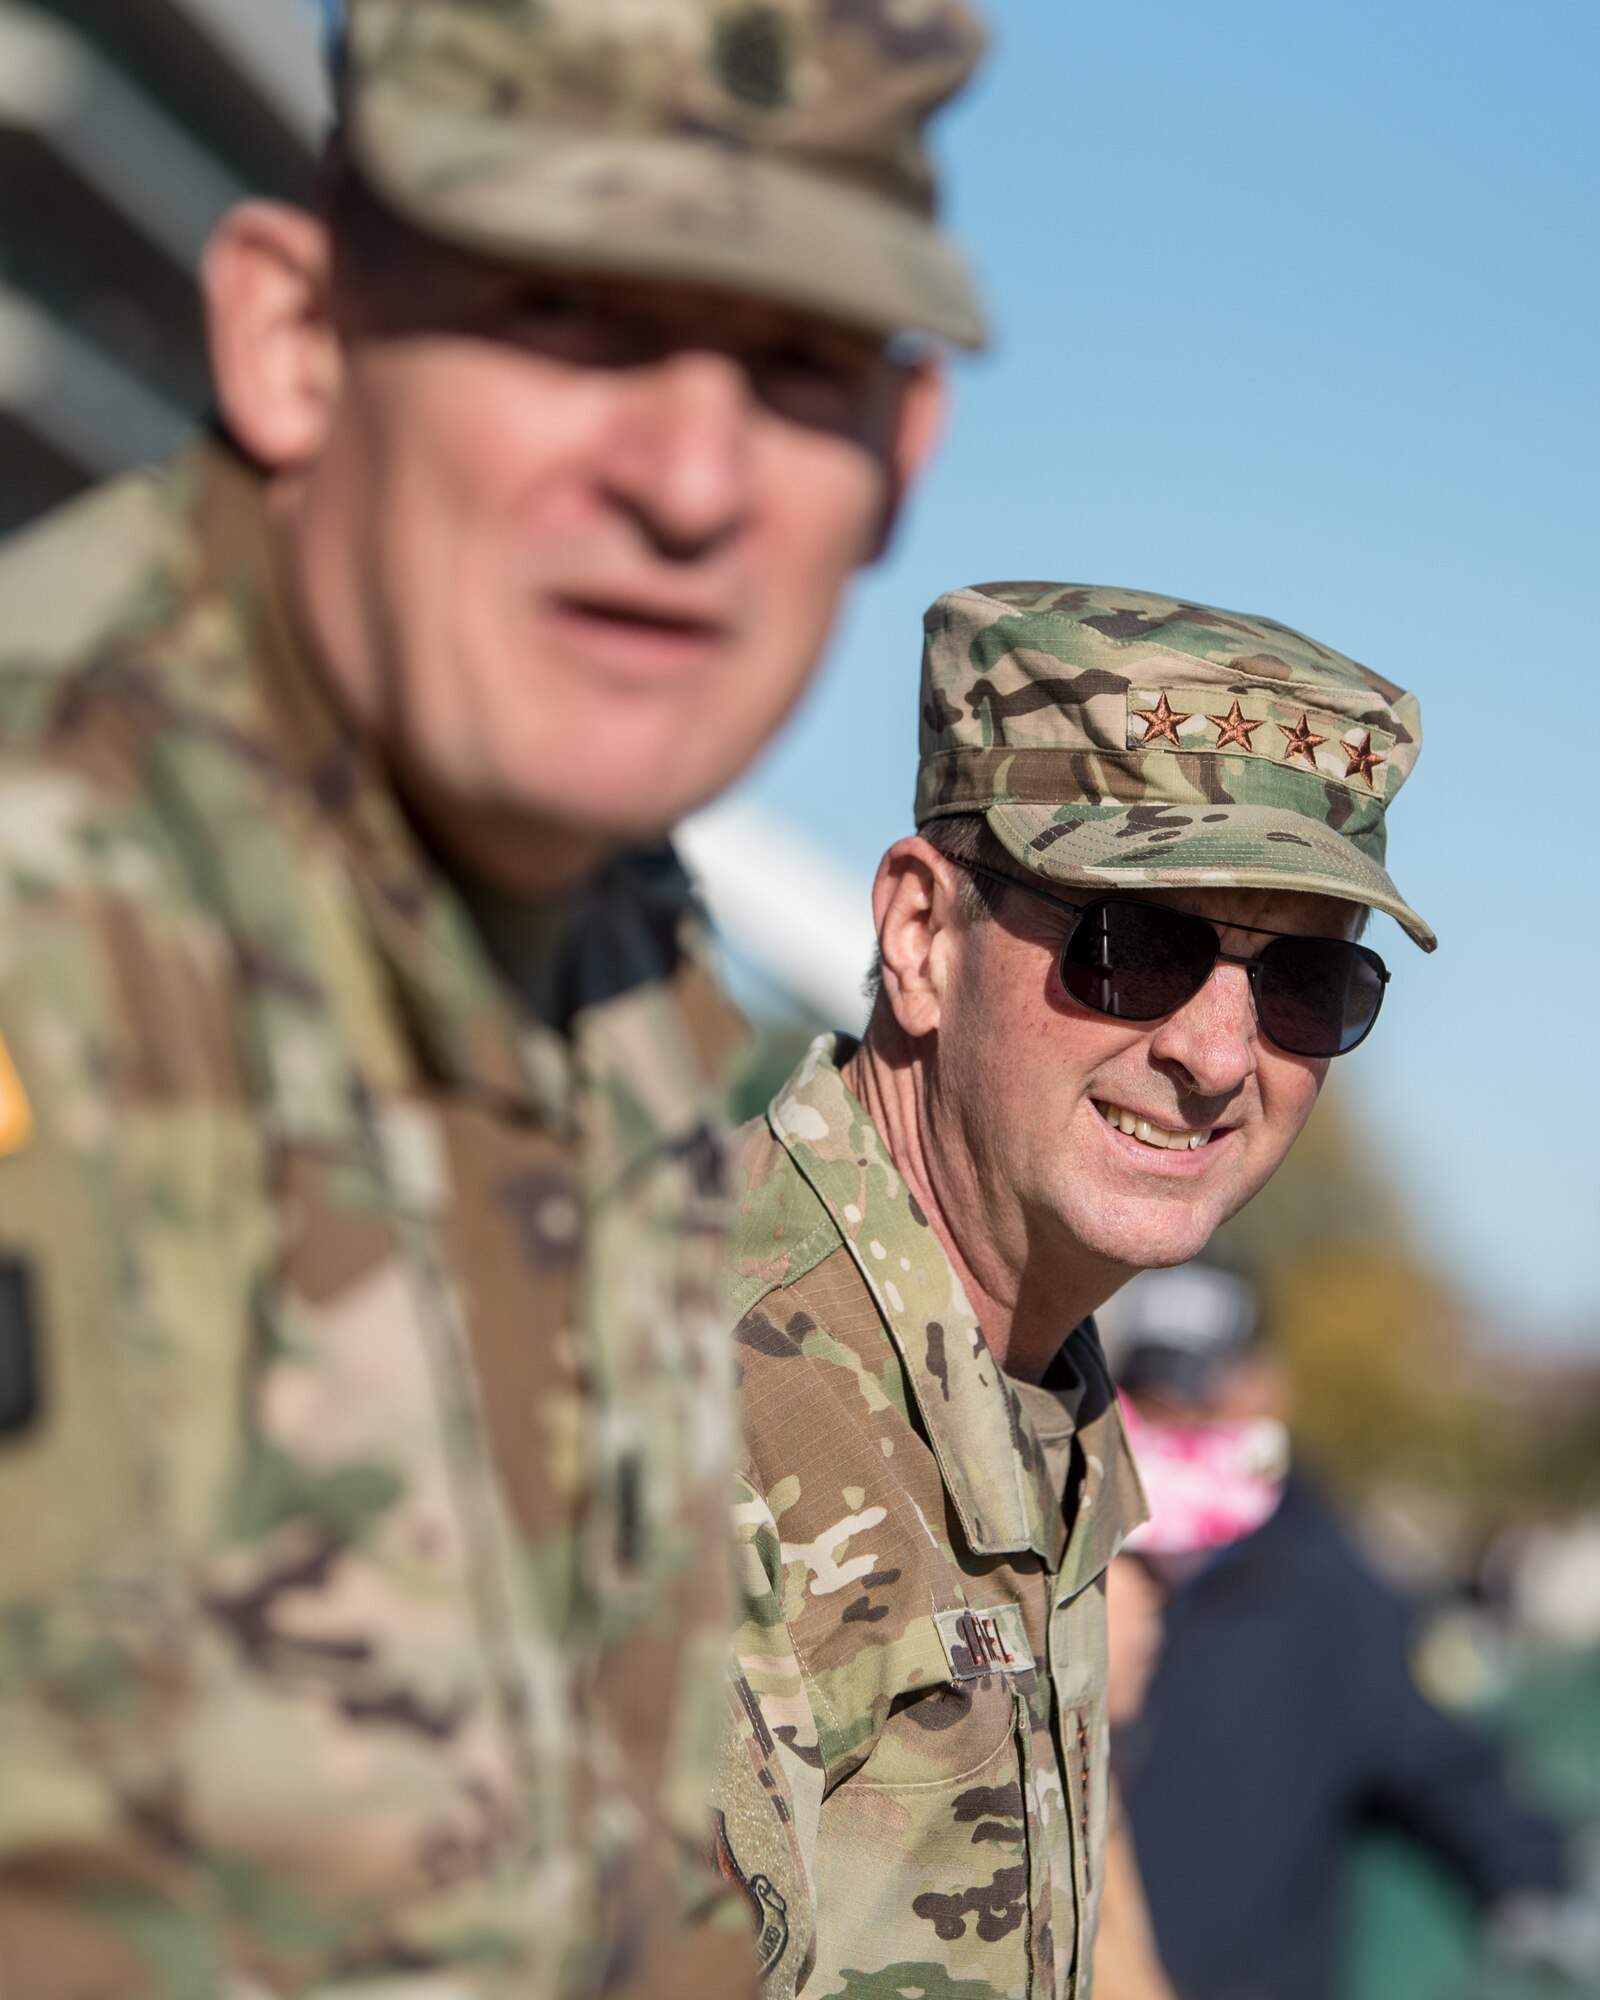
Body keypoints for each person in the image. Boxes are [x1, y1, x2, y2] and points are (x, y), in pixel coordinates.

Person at [0, 2, 986, 1992]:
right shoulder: (57, 896)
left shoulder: (618, 957)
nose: (688, 480)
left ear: (894, 462)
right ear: (290, 338)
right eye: (566, 315)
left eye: (793, 365)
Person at [708, 579, 1436, 1998]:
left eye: (1305, 982)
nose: (1220, 1054)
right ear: (920, 935)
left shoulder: (1029, 1382)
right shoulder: (694, 1408)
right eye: (1132, 946)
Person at [1112, 1263, 1574, 2000]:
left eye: (1198, 1407)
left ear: (1267, 1394)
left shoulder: (1331, 1592)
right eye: (1150, 1407)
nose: (1176, 1437)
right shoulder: (1080, 1566)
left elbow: (1444, 1766)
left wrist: (1533, 1884)